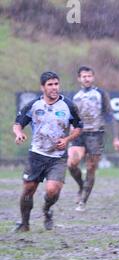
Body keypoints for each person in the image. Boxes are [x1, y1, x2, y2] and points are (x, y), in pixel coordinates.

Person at [13, 71, 83, 232]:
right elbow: (18, 124)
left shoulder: (69, 105)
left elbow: (79, 127)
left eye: (56, 84)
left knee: (52, 191)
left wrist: (66, 140)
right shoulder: (33, 105)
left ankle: (47, 209)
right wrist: (19, 133)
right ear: (42, 87)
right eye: (50, 84)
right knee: (28, 190)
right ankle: (25, 224)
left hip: (57, 157)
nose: (54, 87)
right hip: (36, 155)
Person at [68, 66, 119, 212]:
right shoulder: (75, 96)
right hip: (79, 134)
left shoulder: (100, 94)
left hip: (95, 135)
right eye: (84, 76)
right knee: (72, 163)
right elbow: (71, 118)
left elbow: (110, 115)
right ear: (79, 78)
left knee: (91, 168)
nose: (87, 78)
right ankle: (81, 185)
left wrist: (116, 138)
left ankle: (83, 201)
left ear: (93, 77)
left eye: (89, 76)